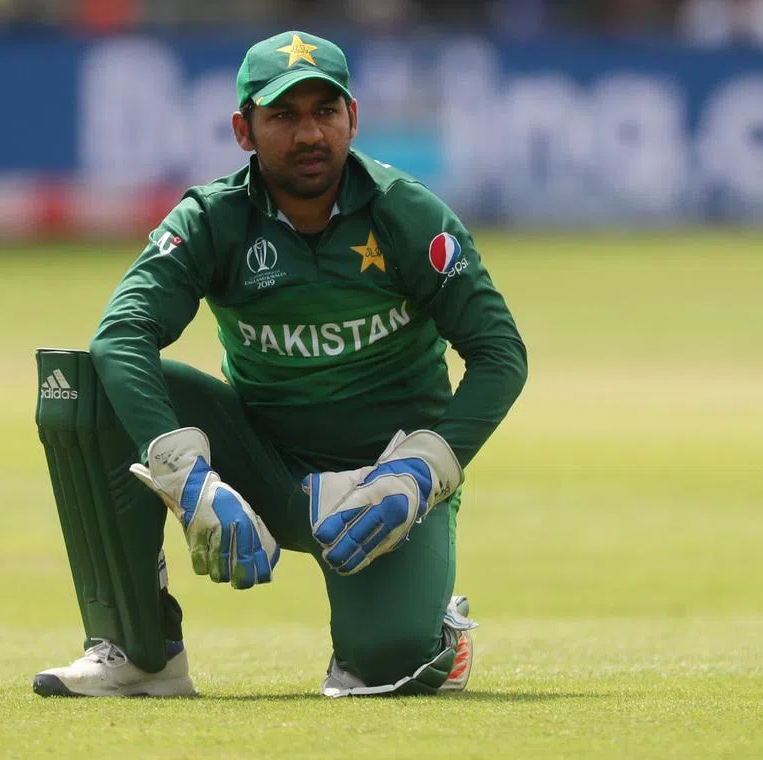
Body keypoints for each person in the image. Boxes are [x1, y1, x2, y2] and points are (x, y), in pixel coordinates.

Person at [31, 30, 528, 698]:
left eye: (326, 111)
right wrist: (185, 472)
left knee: (381, 668)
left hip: (385, 485)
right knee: (86, 384)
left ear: (353, 117)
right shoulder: (213, 219)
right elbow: (122, 335)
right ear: (244, 129)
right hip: (263, 466)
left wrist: (425, 468)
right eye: (284, 115)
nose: (309, 133)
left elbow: (501, 354)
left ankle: (434, 632)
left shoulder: (408, 214)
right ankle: (141, 650)